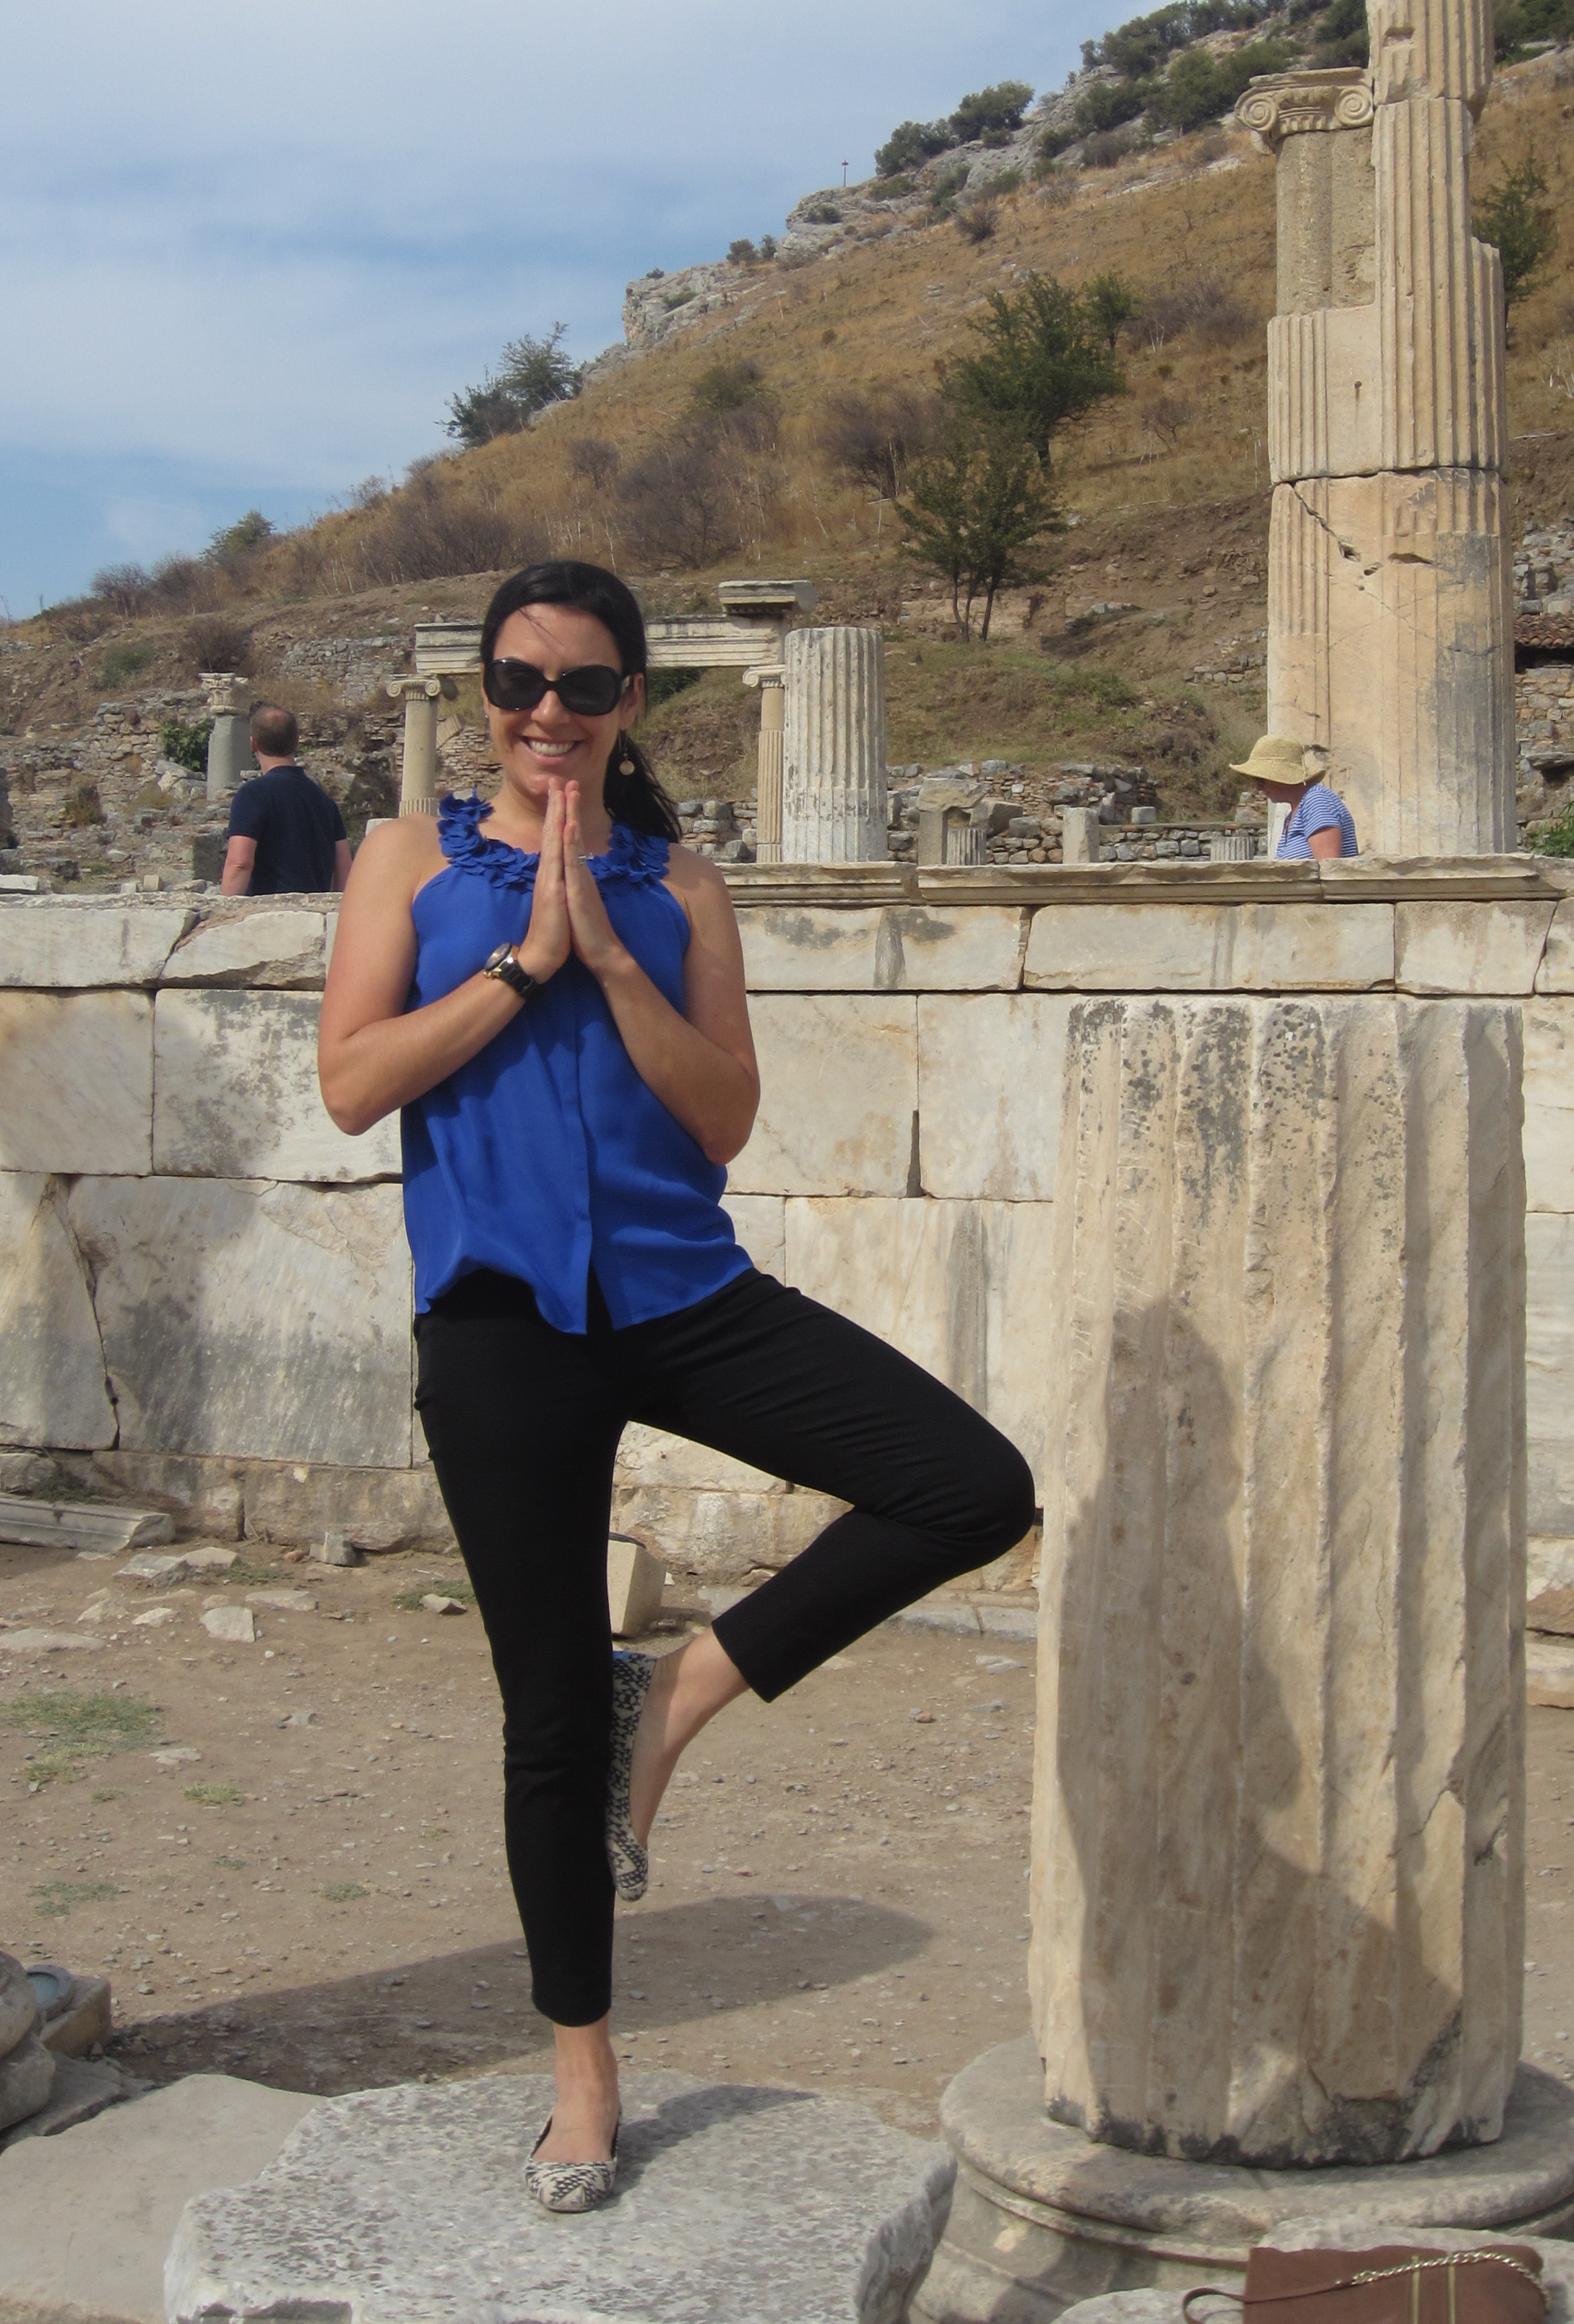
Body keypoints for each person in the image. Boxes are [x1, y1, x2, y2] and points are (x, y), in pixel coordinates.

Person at [316, 560, 1034, 2216]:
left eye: (583, 685)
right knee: (549, 1717)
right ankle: (583, 2073)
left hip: (682, 1295)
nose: (547, 713)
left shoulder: (684, 883)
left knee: (968, 1482)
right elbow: (352, 1084)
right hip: (499, 1318)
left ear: (631, 700)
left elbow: (721, 1118)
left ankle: (687, 1687)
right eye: (519, 681)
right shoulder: (405, 858)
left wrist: (612, 961)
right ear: (484, 692)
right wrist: (519, 964)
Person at [221, 706, 353, 895]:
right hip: (315, 911)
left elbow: (240, 863)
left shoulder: (252, 795)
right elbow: (344, 871)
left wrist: (225, 908)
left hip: (268, 910)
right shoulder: (325, 801)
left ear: (253, 744)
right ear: (297, 741)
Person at [1230, 733, 1358, 861]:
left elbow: (1329, 868)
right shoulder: (1293, 816)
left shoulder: (1317, 801)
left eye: (1260, 780)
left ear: (1279, 776)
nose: (1258, 788)